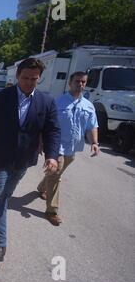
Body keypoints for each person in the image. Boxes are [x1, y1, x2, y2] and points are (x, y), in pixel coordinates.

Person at [0, 58, 60, 263]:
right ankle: (0, 244)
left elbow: (52, 130)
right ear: (17, 76)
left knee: (4, 195)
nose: (29, 82)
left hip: (23, 160)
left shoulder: (47, 102)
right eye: (25, 78)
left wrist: (52, 156)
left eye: (34, 79)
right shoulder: (0, 96)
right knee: (1, 197)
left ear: (39, 79)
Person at [37, 71, 99, 226]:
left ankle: (41, 187)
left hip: (73, 148)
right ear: (70, 83)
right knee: (56, 175)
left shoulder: (88, 106)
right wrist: (41, 142)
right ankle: (52, 211)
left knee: (55, 172)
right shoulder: (58, 102)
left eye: (83, 82)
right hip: (56, 146)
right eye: (77, 81)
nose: (81, 84)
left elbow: (92, 126)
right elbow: (47, 124)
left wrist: (95, 143)